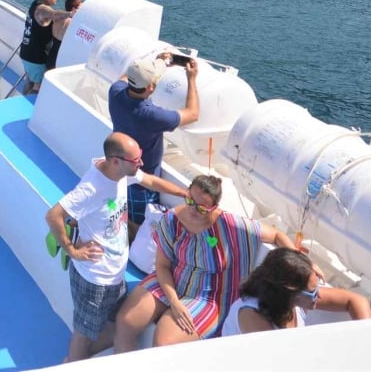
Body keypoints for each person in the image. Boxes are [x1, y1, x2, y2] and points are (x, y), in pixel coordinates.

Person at [45, 132, 190, 362]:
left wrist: (184, 193)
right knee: (82, 336)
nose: (141, 163)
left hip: (115, 275)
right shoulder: (92, 189)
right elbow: (54, 216)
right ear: (116, 161)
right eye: (136, 160)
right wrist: (72, 250)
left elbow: (150, 180)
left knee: (112, 325)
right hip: (95, 281)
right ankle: (72, 363)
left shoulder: (121, 172)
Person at [113, 173, 297, 351]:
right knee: (125, 320)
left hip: (211, 295)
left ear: (214, 207)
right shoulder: (171, 220)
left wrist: (301, 263)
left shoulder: (230, 224)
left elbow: (276, 235)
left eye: (201, 208)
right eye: (190, 200)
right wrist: (175, 302)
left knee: (164, 343)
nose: (193, 209)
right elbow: (162, 265)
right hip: (173, 277)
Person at [108, 54, 199, 238]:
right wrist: (191, 79)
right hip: (143, 180)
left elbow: (126, 78)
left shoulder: (115, 92)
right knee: (140, 224)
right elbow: (193, 114)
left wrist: (159, 62)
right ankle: (130, 245)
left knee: (121, 208)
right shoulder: (152, 116)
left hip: (119, 169)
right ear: (150, 87)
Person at [220, 247, 371, 335]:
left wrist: (368, 337)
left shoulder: (296, 300)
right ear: (288, 293)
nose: (318, 295)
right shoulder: (251, 317)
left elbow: (356, 301)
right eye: (312, 292)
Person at [19, 0, 73, 95]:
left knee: (30, 82)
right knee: (38, 86)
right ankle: (31, 107)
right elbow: (53, 14)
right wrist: (71, 14)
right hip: (35, 57)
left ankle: (24, 99)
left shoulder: (34, 5)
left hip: (26, 52)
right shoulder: (41, 9)